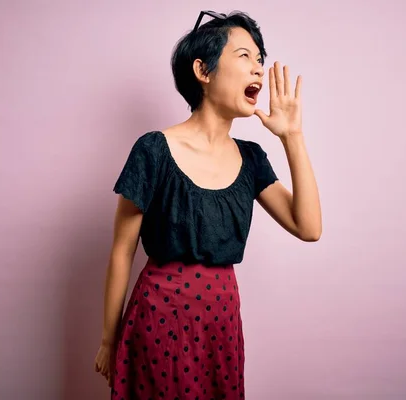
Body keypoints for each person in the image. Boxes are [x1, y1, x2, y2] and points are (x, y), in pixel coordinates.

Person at [94, 10, 322, 400]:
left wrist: (292, 137)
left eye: (260, 61)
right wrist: (109, 339)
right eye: (244, 56)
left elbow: (309, 228)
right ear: (203, 70)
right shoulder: (153, 150)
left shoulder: (251, 159)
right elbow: (121, 251)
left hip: (221, 324)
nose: (258, 71)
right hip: (158, 319)